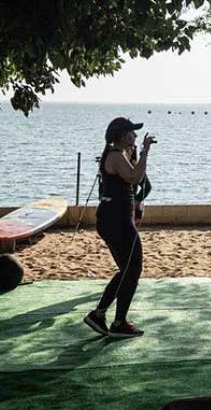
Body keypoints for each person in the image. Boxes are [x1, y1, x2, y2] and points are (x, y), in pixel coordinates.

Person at [83, 117, 155, 338]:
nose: (135, 136)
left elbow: (139, 181)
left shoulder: (118, 154)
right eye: (132, 133)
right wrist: (144, 153)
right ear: (123, 135)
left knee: (128, 270)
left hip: (115, 219)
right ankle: (118, 321)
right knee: (133, 270)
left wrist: (137, 154)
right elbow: (135, 177)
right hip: (117, 221)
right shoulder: (115, 155)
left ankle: (100, 314)